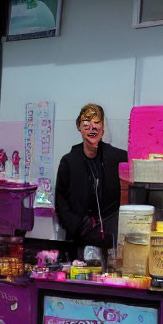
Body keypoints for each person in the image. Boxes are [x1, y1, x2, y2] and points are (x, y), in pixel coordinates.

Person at [55, 103, 128, 248]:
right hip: (79, 241)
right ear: (79, 126)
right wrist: (79, 225)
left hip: (112, 240)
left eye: (96, 123)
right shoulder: (68, 162)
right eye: (86, 123)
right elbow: (61, 204)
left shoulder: (119, 158)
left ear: (103, 127)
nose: (92, 128)